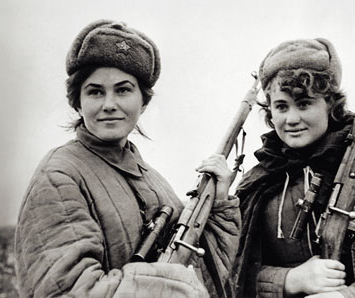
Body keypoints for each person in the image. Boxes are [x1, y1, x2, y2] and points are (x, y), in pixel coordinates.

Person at [14, 19, 240, 298]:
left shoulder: (154, 180)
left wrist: (217, 202)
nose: (109, 104)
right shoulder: (59, 175)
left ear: (143, 102)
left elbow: (205, 271)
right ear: (77, 101)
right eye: (95, 91)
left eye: (123, 90)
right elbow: (64, 290)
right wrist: (164, 286)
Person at [230, 38, 355, 297]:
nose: (292, 119)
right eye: (281, 106)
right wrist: (288, 280)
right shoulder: (258, 182)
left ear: (330, 104)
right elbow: (230, 274)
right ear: (269, 111)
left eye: (304, 103)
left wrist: (349, 295)